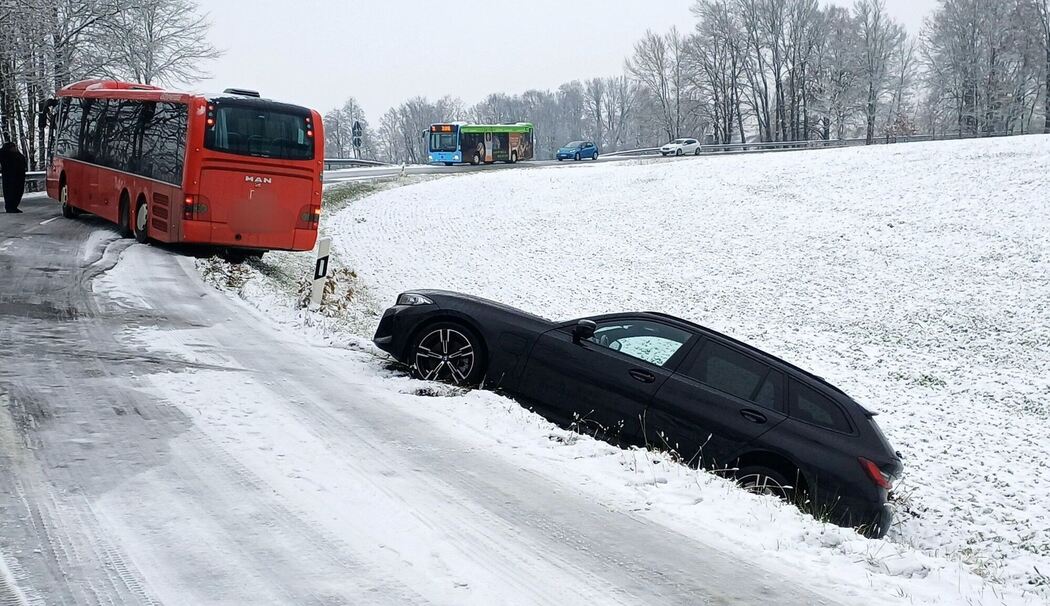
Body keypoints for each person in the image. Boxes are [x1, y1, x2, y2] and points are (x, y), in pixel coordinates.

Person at [1, 142, 28, 214]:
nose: (15, 148)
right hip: (9, 177)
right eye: (13, 147)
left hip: (19, 176)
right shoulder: (4, 154)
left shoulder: (18, 155)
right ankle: (10, 207)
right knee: (10, 192)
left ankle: (14, 207)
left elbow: (23, 162)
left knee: (18, 192)